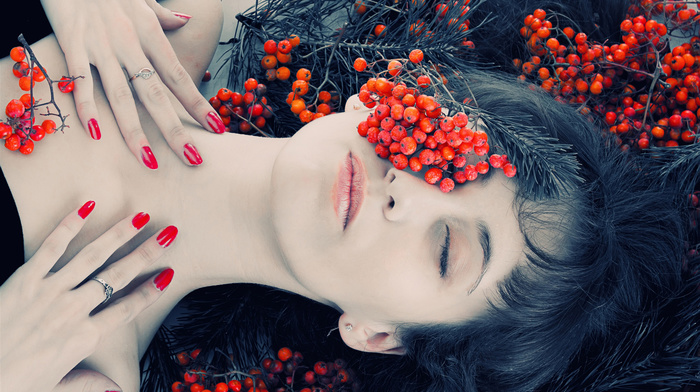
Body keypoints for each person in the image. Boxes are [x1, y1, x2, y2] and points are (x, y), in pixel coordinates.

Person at [1, 1, 697, 391]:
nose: (409, 195)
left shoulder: (74, 369)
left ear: (379, 334)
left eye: (447, 250)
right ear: (385, 94)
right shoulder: (175, 17)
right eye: (447, 156)